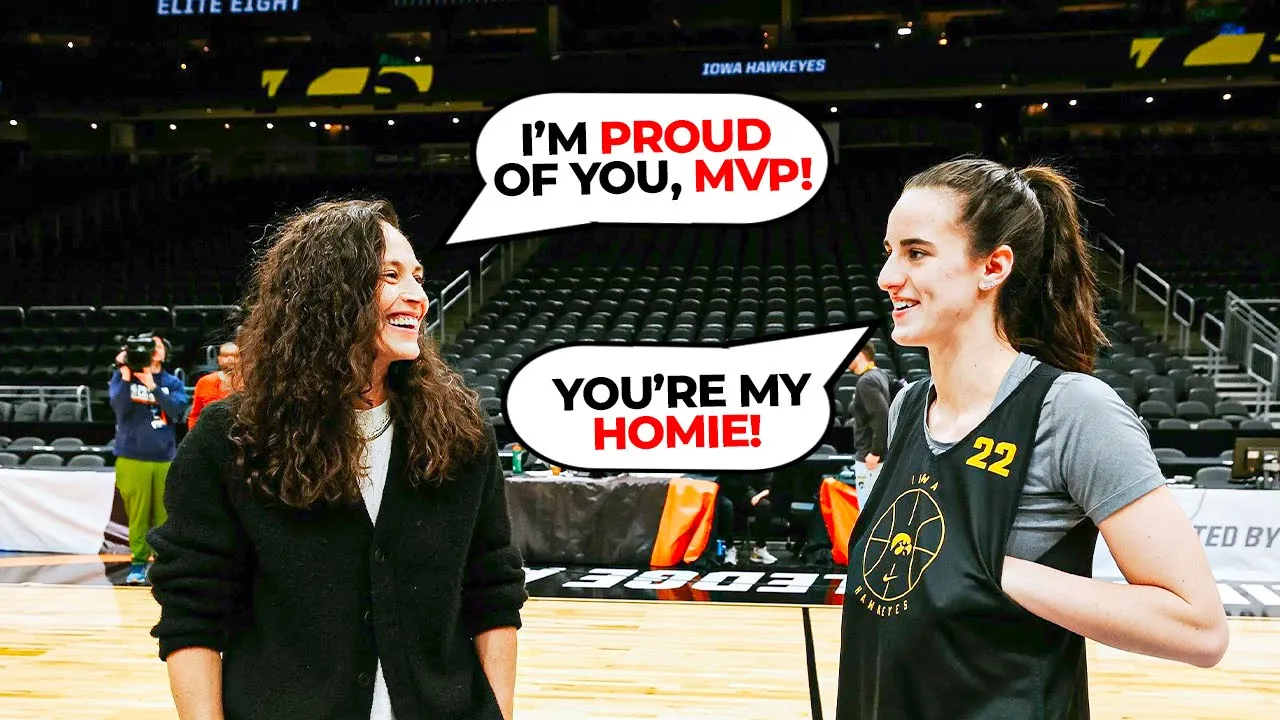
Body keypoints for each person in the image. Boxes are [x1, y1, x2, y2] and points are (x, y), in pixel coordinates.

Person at [836, 158, 1228, 719]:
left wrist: (989, 569)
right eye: (889, 251)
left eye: (916, 253)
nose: (887, 276)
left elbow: (1199, 628)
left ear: (992, 267)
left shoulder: (1072, 410)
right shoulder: (906, 408)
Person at [146, 199, 527, 720]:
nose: (417, 296)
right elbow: (192, 610)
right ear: (328, 293)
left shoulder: (460, 433)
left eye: (417, 276)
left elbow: (493, 591)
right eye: (390, 276)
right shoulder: (231, 438)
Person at [109, 335, 189, 585]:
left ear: (165, 353)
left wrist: (152, 386)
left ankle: (163, 563)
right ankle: (138, 564)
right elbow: (119, 409)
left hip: (164, 457)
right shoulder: (123, 377)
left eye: (158, 346)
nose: (153, 349)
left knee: (164, 514)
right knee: (138, 515)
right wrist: (125, 374)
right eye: (149, 346)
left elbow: (177, 411)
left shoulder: (172, 382)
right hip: (131, 456)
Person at [846, 341, 891, 508]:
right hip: (878, 458)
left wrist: (875, 452)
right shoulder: (881, 375)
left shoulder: (866, 381)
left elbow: (882, 416)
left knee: (867, 512)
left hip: (870, 460)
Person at [712, 472, 777, 565]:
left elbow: (767, 487)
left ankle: (759, 549)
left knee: (765, 506)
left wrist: (757, 496)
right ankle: (729, 548)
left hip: (745, 491)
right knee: (727, 506)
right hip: (724, 490)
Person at [187, 341, 240, 429]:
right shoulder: (205, 382)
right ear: (219, 359)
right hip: (209, 431)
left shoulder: (247, 382)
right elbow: (195, 415)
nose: (230, 359)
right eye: (226, 355)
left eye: (235, 356)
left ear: (241, 359)